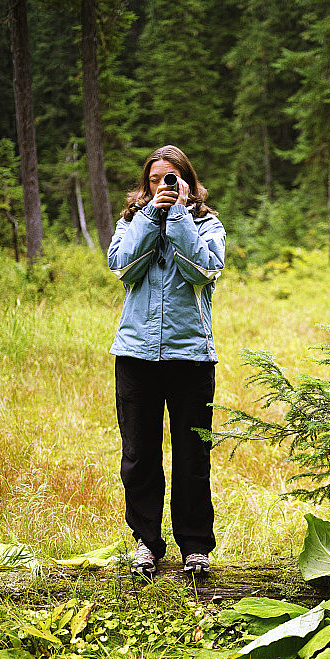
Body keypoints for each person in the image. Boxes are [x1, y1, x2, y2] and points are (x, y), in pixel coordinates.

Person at [108, 145, 225, 576]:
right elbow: (123, 268)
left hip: (191, 356)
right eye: (157, 179)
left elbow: (205, 270)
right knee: (139, 456)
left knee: (192, 457)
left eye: (172, 179)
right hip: (135, 356)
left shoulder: (207, 225)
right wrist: (150, 220)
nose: (164, 186)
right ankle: (146, 544)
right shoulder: (130, 224)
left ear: (189, 183)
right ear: (146, 185)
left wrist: (176, 219)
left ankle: (195, 547)